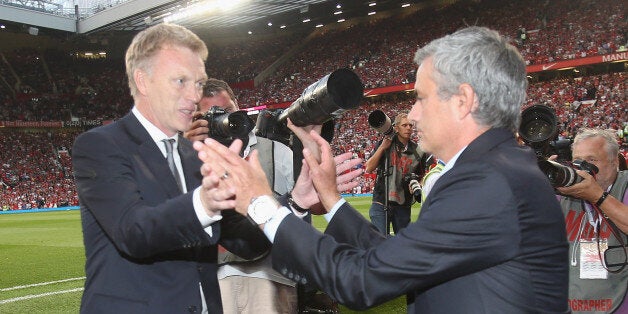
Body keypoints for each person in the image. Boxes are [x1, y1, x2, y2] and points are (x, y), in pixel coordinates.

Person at [194, 26, 569, 313]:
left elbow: (361, 280)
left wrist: (261, 202)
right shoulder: (496, 170)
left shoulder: (486, 182)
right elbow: (396, 258)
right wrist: (332, 199)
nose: (415, 113)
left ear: (462, 101)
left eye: (421, 97)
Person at [72, 23, 271, 313]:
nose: (194, 95)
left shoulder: (197, 156)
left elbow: (248, 244)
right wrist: (203, 204)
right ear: (143, 81)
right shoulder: (99, 146)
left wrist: (288, 204)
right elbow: (134, 231)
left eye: (198, 83)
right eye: (180, 81)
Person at [184, 78, 298, 313]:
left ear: (238, 105)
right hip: (210, 278)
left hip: (271, 276)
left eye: (227, 111)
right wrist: (183, 155)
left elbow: (301, 214)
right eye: (211, 115)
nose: (223, 120)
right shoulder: (188, 157)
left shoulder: (277, 151)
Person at [555, 128, 628, 313]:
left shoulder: (624, 187)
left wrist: (598, 196)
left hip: (619, 304)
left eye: (592, 160)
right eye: (578, 161)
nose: (583, 168)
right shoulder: (564, 194)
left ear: (614, 163)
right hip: (573, 305)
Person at [365, 112, 423, 235]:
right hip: (381, 202)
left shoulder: (418, 151)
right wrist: (382, 148)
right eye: (404, 125)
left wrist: (417, 183)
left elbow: (423, 176)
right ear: (396, 128)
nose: (408, 128)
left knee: (402, 244)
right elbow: (369, 167)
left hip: (403, 204)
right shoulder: (384, 143)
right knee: (379, 243)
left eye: (410, 125)